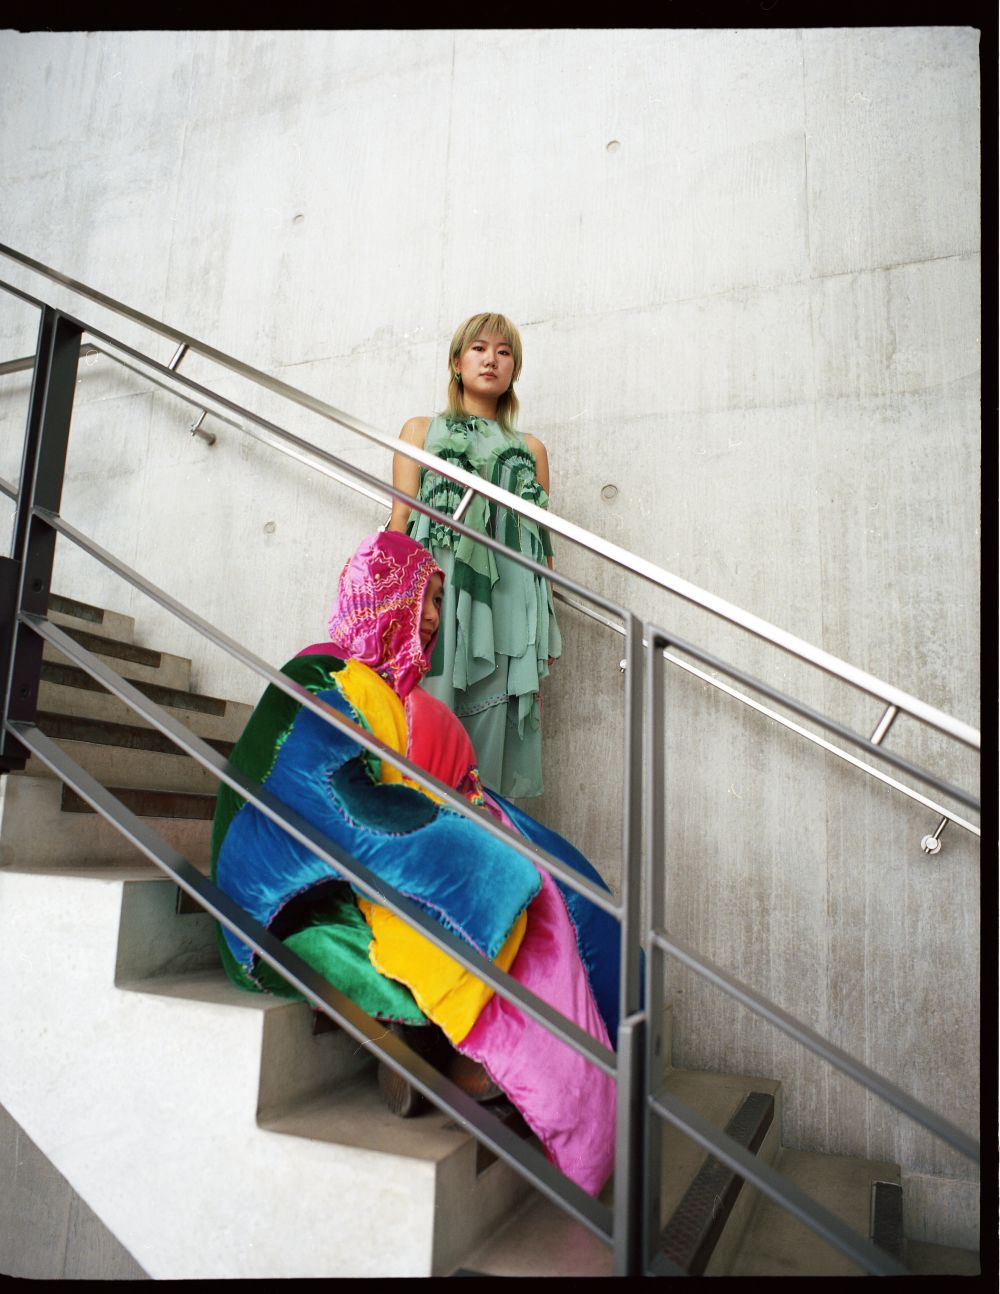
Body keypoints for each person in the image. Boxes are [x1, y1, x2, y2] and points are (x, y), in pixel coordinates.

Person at [210, 531, 619, 1197]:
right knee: (484, 905)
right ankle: (453, 1065)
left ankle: (502, 1078)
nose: (434, 617)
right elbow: (341, 804)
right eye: (425, 597)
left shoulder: (390, 702)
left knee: (510, 899)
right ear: (384, 594)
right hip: (273, 915)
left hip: (332, 877)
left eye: (439, 601)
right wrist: (477, 867)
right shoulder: (321, 675)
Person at [386, 313, 560, 798]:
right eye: (480, 348)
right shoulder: (420, 430)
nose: (491, 359)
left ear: (514, 372)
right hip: (438, 588)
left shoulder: (531, 449)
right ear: (456, 362)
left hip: (509, 600)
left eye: (504, 353)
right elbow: (400, 522)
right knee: (425, 714)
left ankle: (478, 843)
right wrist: (398, 610)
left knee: (490, 735)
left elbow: (542, 548)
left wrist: (542, 631)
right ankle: (417, 834)